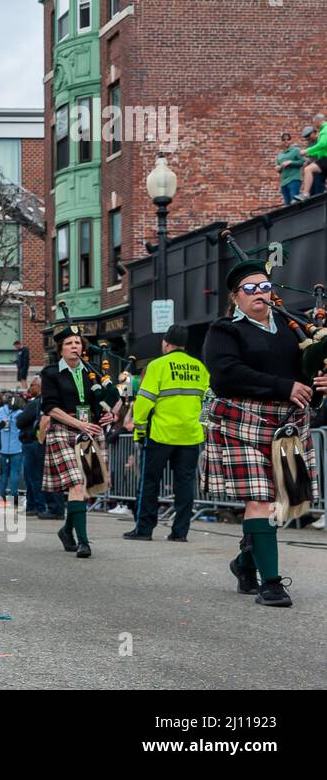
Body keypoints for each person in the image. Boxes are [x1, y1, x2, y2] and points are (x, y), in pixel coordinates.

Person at [203, 259, 325, 607]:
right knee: (260, 501)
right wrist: (283, 386)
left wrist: (319, 384)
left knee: (282, 502)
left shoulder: (294, 330)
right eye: (250, 288)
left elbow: (307, 377)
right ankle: (271, 583)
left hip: (288, 426)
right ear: (235, 298)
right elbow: (225, 373)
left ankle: (244, 563)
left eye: (265, 286)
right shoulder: (225, 330)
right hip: (242, 422)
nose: (260, 293)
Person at [123, 324, 208, 542]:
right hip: (190, 435)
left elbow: (144, 400)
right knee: (185, 484)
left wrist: (139, 429)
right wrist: (203, 427)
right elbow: (208, 401)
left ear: (166, 343)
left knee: (149, 482)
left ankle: (144, 529)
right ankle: (180, 532)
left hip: (161, 434)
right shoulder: (199, 367)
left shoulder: (157, 365)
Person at [40, 326, 117, 558]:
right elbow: (50, 407)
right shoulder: (51, 372)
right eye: (69, 344)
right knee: (76, 484)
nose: (75, 346)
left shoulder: (91, 372)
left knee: (85, 487)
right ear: (60, 349)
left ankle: (66, 531)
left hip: (90, 430)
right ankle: (84, 542)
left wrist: (109, 413)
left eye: (77, 343)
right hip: (64, 430)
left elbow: (103, 402)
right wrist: (78, 424)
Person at [15, 379, 54, 517]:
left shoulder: (36, 403)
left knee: (34, 477)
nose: (30, 387)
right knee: (30, 476)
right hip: (33, 443)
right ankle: (32, 505)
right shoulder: (39, 402)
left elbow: (20, 421)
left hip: (33, 443)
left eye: (33, 385)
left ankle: (39, 505)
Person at [0, 392, 24, 508]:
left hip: (2, 447)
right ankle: (13, 498)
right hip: (16, 447)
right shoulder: (20, 414)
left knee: (3, 474)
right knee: (14, 473)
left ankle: (1, 497)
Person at [295, 118, 327, 200]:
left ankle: (305, 194)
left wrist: (307, 150)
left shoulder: (324, 129)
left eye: (308, 136)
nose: (315, 125)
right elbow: (322, 151)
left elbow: (322, 144)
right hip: (322, 159)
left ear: (318, 122)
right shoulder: (322, 131)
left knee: (308, 169)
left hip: (325, 159)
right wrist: (310, 154)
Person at [275, 132, 305, 205]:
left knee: (294, 203)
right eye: (284, 140)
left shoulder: (295, 150)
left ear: (290, 140)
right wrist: (277, 168)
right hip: (283, 182)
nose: (286, 141)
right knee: (287, 205)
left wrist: (291, 162)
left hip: (294, 180)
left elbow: (302, 161)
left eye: (288, 139)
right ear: (281, 141)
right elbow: (278, 167)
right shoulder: (280, 155)